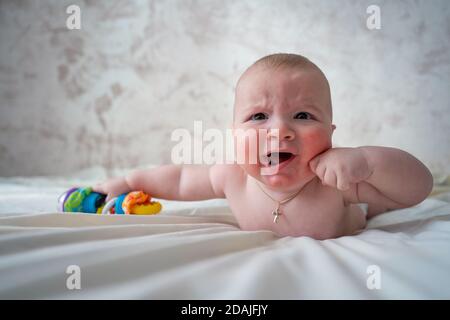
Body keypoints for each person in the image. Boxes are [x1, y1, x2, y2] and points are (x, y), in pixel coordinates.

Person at [93, 53, 433, 239]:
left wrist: (367, 160)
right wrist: (131, 182)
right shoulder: (232, 177)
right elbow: (180, 179)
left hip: (355, 212)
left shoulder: (335, 181)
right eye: (258, 117)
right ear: (234, 133)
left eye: (302, 115)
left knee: (382, 199)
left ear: (330, 134)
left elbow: (417, 189)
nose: (280, 131)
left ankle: (376, 207)